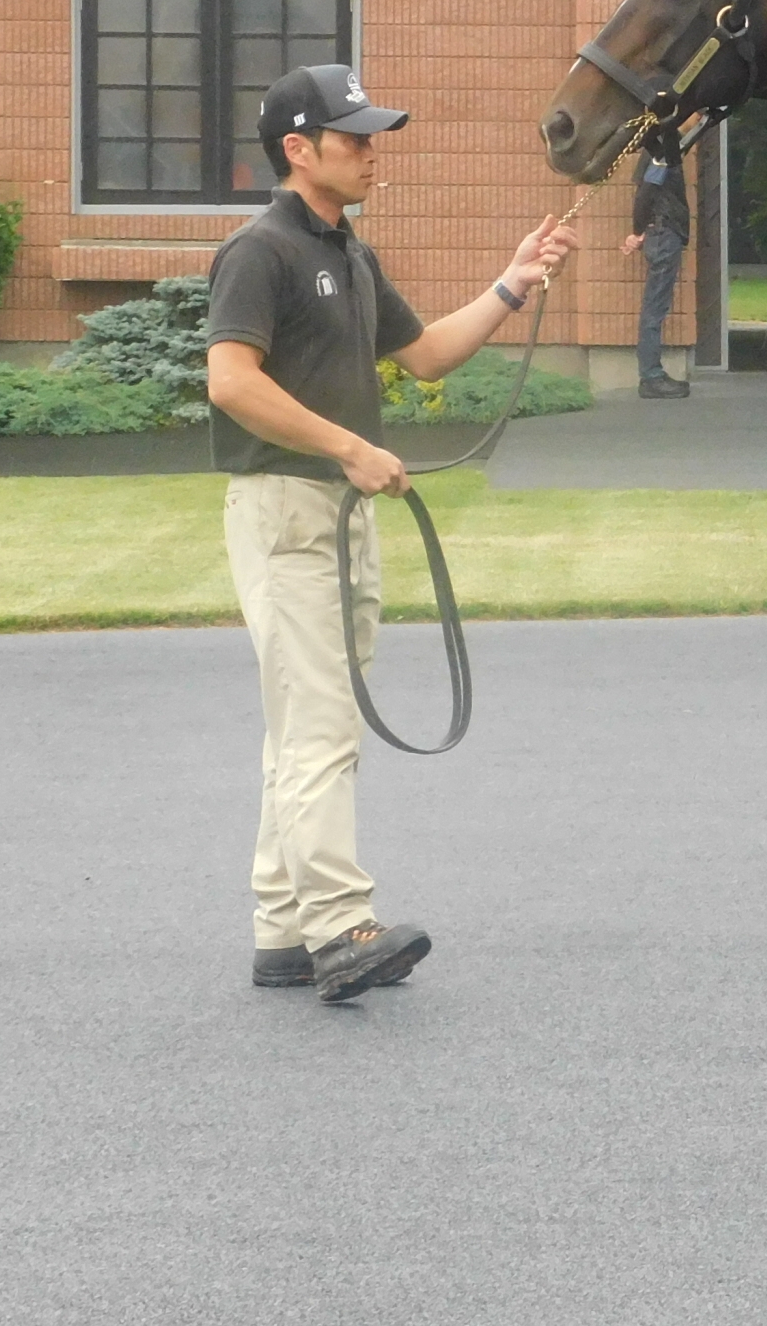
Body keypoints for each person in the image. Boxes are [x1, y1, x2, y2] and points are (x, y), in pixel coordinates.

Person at [204, 64, 578, 1004]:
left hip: (343, 518)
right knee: (322, 728)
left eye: (374, 136)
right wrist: (349, 448)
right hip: (287, 513)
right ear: (299, 149)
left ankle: (282, 929)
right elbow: (231, 382)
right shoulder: (261, 252)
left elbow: (425, 354)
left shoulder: (351, 255)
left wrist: (513, 282)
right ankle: (339, 928)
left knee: (306, 733)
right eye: (356, 137)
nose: (375, 153)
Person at [619, 139, 690, 399]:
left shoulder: (662, 148)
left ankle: (652, 373)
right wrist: (637, 230)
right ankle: (650, 376)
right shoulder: (662, 150)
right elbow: (646, 191)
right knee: (654, 307)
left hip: (660, 232)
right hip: (663, 233)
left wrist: (639, 233)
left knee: (655, 305)